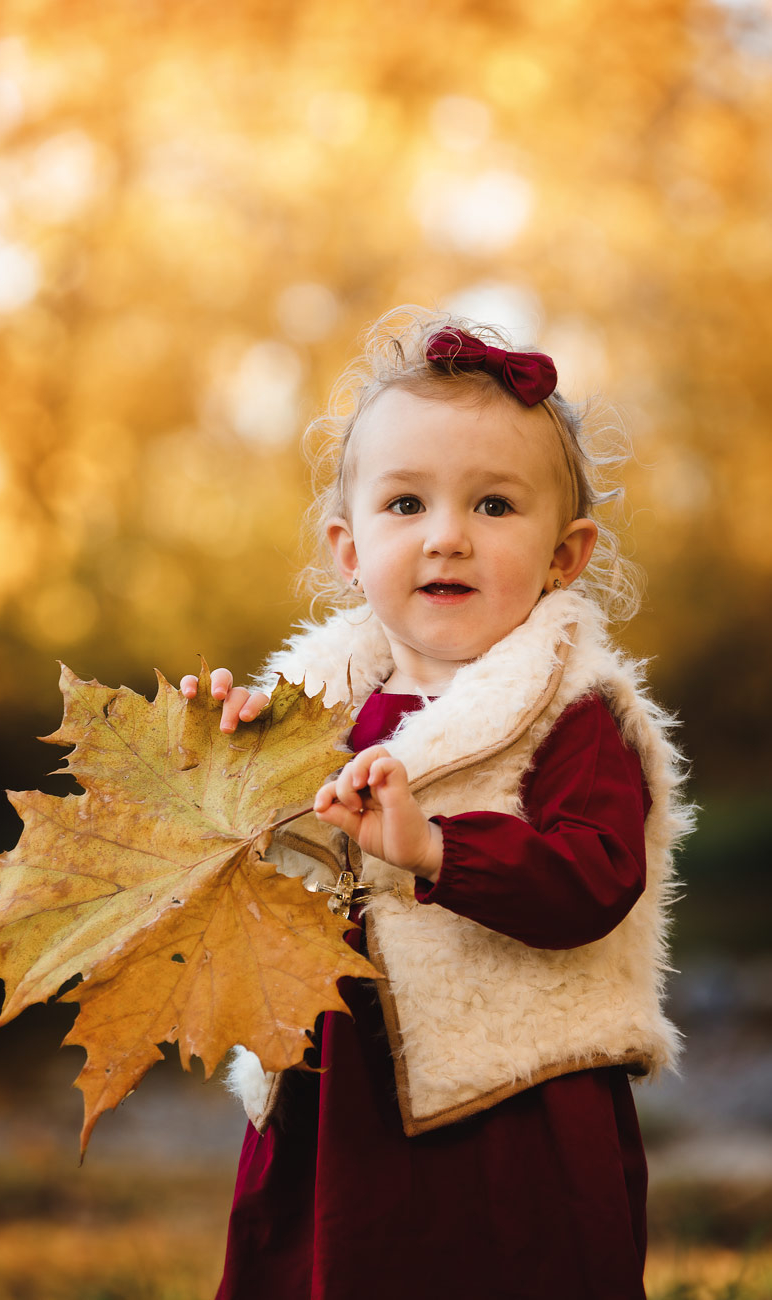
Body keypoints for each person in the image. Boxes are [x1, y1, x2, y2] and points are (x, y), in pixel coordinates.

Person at [180, 307, 692, 1300]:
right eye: (406, 504)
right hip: (338, 1099)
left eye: (495, 507)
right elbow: (242, 886)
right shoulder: (316, 715)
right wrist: (222, 769)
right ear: (347, 546)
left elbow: (595, 877)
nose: (448, 537)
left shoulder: (572, 714)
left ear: (565, 554)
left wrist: (440, 850)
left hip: (517, 1108)